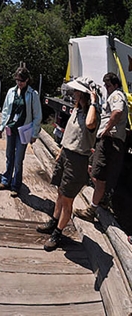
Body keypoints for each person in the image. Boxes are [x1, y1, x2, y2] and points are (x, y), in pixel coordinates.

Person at [36, 77, 99, 251]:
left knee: (67, 200)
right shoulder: (77, 110)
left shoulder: (91, 114)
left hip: (78, 160)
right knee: (60, 193)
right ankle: (54, 221)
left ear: (85, 94)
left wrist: (93, 102)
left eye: (77, 92)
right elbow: (71, 133)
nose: (74, 94)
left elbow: (90, 124)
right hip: (66, 155)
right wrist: (61, 151)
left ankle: (58, 233)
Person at [73, 72, 129, 222]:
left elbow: (117, 112)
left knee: (99, 174)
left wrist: (106, 129)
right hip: (107, 140)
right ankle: (101, 198)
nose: (106, 87)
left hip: (109, 140)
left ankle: (93, 208)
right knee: (94, 168)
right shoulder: (112, 96)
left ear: (116, 85)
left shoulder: (117, 95)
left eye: (108, 85)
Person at [0, 67, 42, 197]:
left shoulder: (32, 94)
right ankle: (6, 180)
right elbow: (5, 111)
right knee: (9, 155)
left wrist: (34, 134)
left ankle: (16, 185)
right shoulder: (11, 92)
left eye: (21, 81)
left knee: (18, 159)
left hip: (24, 131)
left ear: (27, 80)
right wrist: (1, 128)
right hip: (11, 128)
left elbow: (37, 115)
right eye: (17, 80)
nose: (19, 83)